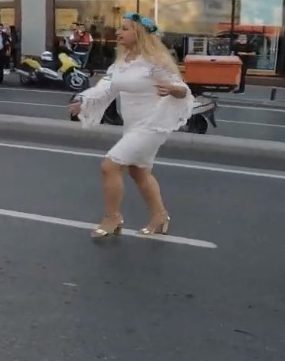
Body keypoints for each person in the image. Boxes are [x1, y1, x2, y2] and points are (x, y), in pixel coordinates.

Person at [68, 13, 192, 238]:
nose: (118, 32)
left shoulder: (155, 62)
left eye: (124, 28)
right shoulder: (122, 63)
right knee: (139, 172)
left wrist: (173, 89)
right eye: (119, 28)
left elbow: (182, 89)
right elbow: (107, 87)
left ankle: (112, 217)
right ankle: (160, 216)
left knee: (109, 165)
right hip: (133, 125)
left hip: (152, 124)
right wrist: (84, 103)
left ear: (140, 34)